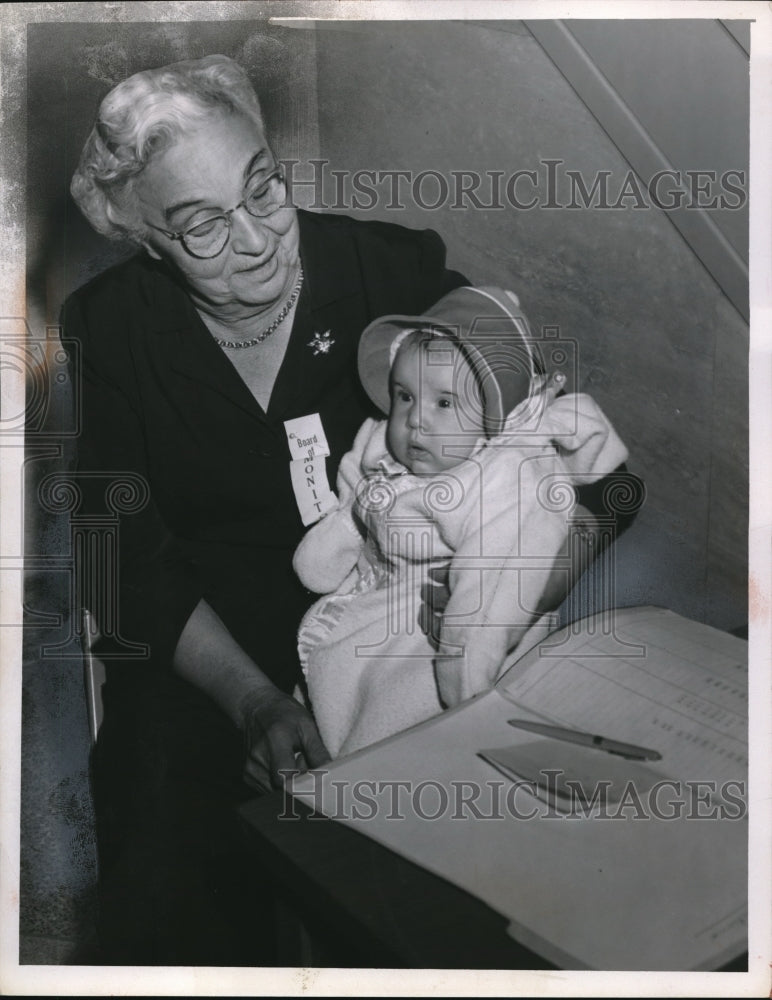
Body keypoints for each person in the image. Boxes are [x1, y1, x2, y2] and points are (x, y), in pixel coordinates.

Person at [63, 53, 626, 963]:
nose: (256, 240)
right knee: (171, 896)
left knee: (454, 905)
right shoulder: (110, 326)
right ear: (147, 241)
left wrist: (520, 578)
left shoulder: (390, 270)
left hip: (401, 628)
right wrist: (253, 705)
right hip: (211, 659)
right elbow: (122, 560)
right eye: (202, 227)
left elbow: (607, 481)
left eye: (264, 189)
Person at [293, 287, 629, 757]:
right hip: (382, 599)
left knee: (398, 727)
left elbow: (492, 598)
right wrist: (341, 536)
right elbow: (355, 496)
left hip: (455, 630)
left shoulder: (502, 478)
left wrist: (467, 690)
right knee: (341, 687)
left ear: (493, 414)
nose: (415, 422)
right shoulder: (382, 443)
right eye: (404, 396)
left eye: (444, 404)